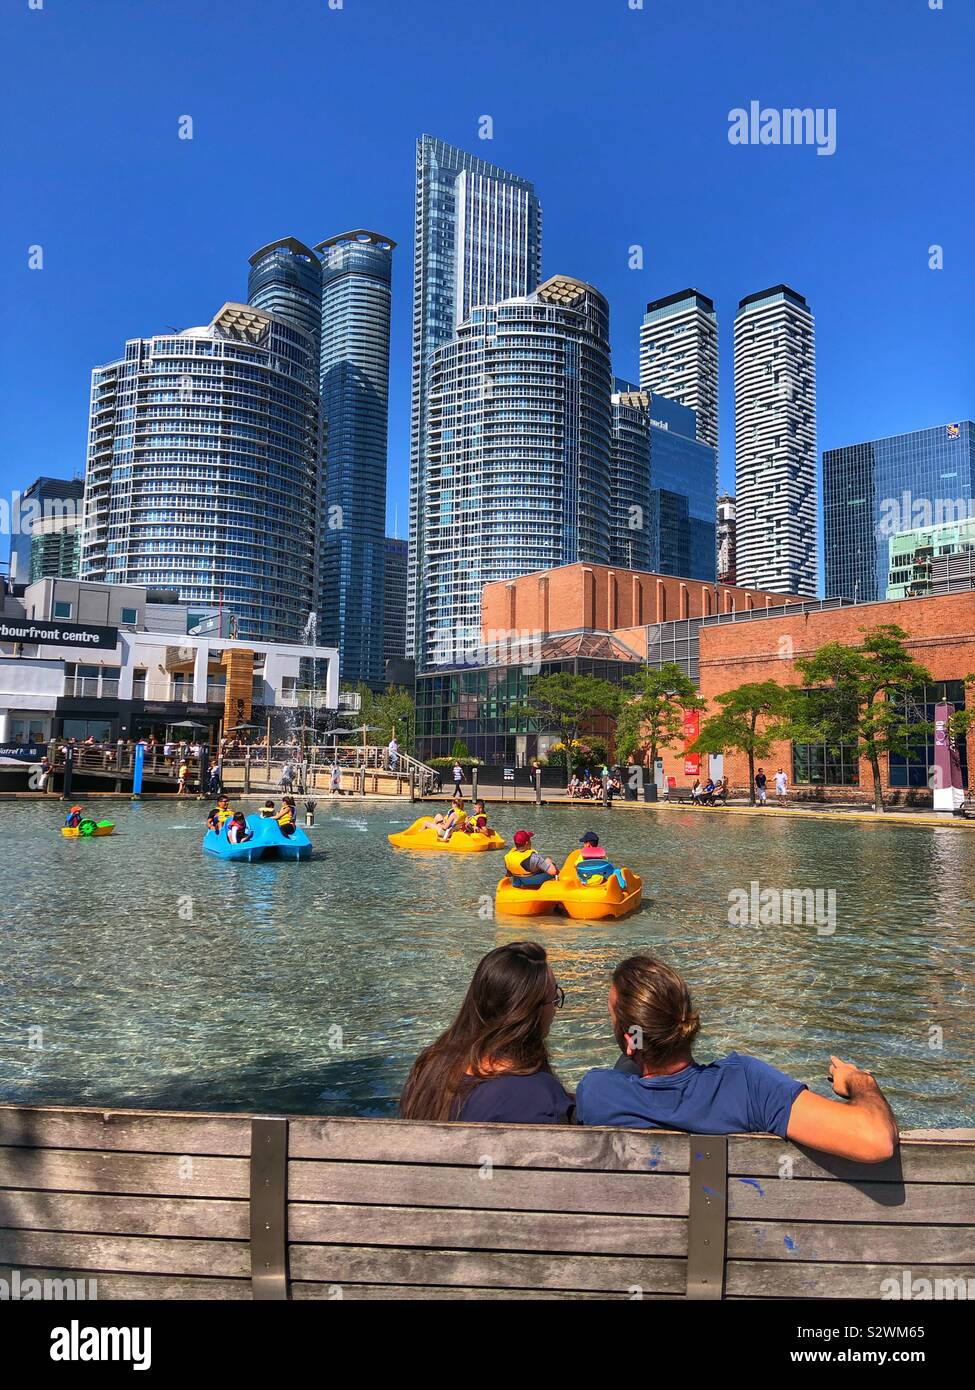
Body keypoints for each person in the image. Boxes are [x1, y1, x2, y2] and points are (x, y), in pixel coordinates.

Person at [575, 956, 898, 1163]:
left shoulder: (599, 1092)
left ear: (630, 1040)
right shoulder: (745, 1084)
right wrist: (860, 1081)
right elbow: (876, 1140)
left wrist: (634, 1055)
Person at [400, 941, 572, 1124]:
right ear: (527, 1015)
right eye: (553, 999)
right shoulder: (537, 1095)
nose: (555, 1009)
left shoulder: (430, 1066)